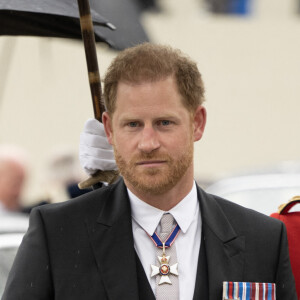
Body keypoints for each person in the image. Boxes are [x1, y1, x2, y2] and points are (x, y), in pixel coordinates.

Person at [3, 43, 297, 299]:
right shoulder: (58, 235)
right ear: (108, 128)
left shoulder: (263, 240)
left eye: (164, 123)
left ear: (197, 123)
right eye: (132, 124)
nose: (148, 143)